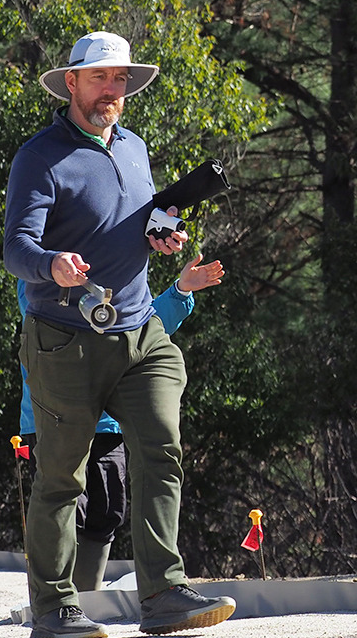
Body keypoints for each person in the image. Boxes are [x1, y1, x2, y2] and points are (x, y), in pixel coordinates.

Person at [4, 30, 237, 638]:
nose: (113, 89)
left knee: (162, 448)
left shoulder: (134, 149)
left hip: (140, 332)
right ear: (72, 83)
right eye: (102, 78)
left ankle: (162, 594)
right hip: (64, 338)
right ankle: (53, 608)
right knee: (63, 478)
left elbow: (131, 228)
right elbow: (16, 248)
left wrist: (160, 236)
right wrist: (51, 263)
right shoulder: (39, 156)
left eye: (122, 81)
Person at [15, 253, 224, 592]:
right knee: (67, 501)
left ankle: (87, 595)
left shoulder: (119, 281)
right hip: (57, 412)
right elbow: (53, 322)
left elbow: (144, 332)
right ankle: (55, 597)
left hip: (108, 422)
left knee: (108, 509)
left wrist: (181, 290)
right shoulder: (41, 277)